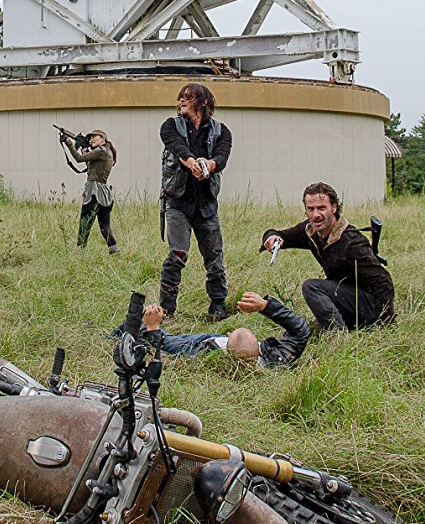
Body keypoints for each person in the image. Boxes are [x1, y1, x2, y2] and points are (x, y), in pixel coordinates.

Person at [261, 181, 395, 330]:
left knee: (311, 287)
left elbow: (383, 281)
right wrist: (272, 237)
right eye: (310, 209)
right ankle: (335, 325)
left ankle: (337, 335)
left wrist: (384, 325)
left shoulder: (352, 243)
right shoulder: (310, 231)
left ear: (334, 208)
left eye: (321, 208)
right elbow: (282, 235)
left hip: (367, 306)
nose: (316, 215)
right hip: (346, 299)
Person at [158, 82, 233, 321]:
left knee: (215, 259)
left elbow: (222, 156)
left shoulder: (222, 131)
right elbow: (176, 146)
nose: (181, 100)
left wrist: (209, 166)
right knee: (177, 254)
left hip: (206, 204)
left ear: (203, 102)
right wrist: (192, 163)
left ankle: (218, 306)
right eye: (180, 97)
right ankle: (167, 309)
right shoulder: (170, 125)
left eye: (188, 97)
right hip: (178, 202)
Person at [120, 292, 311, 368]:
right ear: (259, 348)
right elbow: (301, 330)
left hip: (202, 345)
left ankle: (116, 338)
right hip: (213, 343)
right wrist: (265, 307)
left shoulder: (204, 358)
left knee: (136, 327)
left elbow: (168, 348)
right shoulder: (277, 359)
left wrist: (154, 328)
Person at [62, 129, 118, 253]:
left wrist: (68, 143)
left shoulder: (99, 151)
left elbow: (78, 159)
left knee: (85, 222)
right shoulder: (106, 151)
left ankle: (79, 252)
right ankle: (114, 250)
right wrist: (86, 153)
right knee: (104, 225)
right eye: (90, 137)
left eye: (95, 137)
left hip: (94, 191)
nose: (91, 139)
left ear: (102, 139)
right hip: (104, 192)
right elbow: (93, 167)